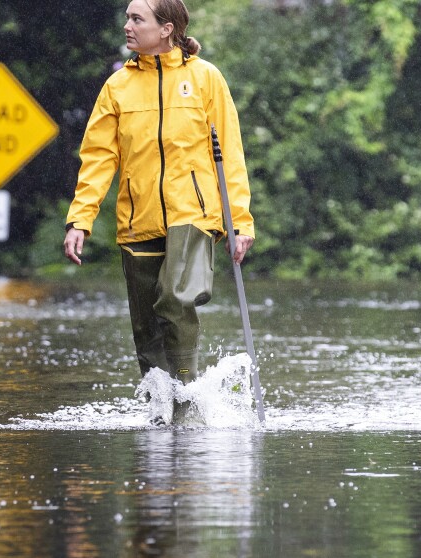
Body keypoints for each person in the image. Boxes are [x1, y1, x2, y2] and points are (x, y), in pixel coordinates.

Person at [64, 0, 255, 422]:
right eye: (128, 17)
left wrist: (239, 220)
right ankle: (158, 411)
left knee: (173, 298)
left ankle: (188, 400)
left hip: (194, 214)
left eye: (137, 19)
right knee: (145, 326)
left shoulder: (205, 79)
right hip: (137, 219)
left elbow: (232, 156)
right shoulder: (117, 87)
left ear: (167, 28)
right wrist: (81, 218)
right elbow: (98, 158)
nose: (127, 26)